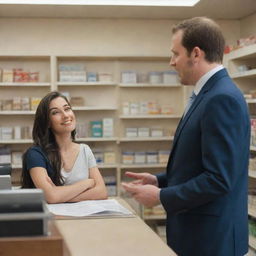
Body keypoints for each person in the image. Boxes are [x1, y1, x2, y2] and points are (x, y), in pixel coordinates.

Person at [122, 17, 250, 256]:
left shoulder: (221, 98)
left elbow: (219, 179)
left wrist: (161, 196)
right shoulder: (206, 94)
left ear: (196, 53)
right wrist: (160, 180)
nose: (171, 62)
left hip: (211, 239)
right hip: (199, 235)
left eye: (175, 54)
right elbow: (200, 164)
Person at [22, 91, 107, 203]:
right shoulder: (35, 154)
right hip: (50, 219)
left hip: (83, 217)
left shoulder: (85, 150)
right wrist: (86, 183)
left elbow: (101, 192)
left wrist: (60, 195)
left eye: (67, 109)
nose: (66, 115)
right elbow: (51, 197)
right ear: (47, 122)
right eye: (55, 112)